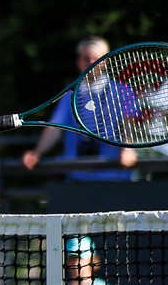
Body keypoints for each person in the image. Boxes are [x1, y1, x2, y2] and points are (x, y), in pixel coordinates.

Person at [21, 37, 139, 181]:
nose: (91, 63)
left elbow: (129, 123)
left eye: (96, 58)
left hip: (114, 174)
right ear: (79, 61)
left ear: (105, 61)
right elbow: (54, 128)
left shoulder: (121, 91)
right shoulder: (70, 94)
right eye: (86, 58)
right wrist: (37, 153)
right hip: (77, 176)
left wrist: (127, 149)